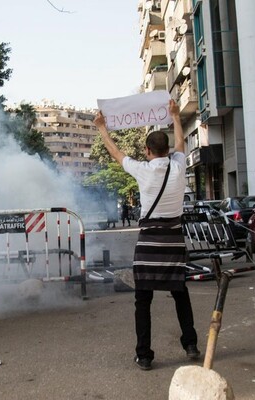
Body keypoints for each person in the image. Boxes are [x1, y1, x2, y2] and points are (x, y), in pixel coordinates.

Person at [94, 100, 199, 371]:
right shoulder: (178, 166)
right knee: (180, 293)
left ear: (148, 151)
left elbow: (116, 153)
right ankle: (190, 343)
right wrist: (175, 116)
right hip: (174, 241)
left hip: (149, 242)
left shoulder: (142, 170)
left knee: (143, 300)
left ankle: (144, 355)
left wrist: (103, 129)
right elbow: (181, 144)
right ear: (166, 150)